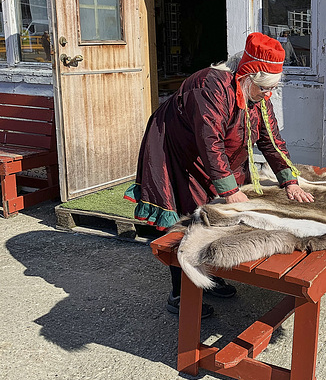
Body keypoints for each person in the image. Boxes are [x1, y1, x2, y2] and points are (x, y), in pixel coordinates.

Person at [125, 32, 314, 317]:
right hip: (179, 153)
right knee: (188, 217)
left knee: (221, 215)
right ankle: (181, 294)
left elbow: (271, 140)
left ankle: (212, 276)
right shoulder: (209, 88)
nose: (268, 95)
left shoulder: (258, 96)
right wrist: (229, 190)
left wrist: (289, 180)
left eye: (271, 89)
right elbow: (209, 142)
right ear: (248, 77)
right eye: (265, 88)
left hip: (216, 157)